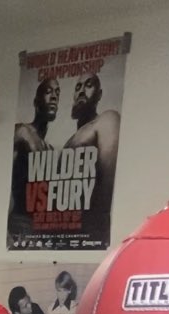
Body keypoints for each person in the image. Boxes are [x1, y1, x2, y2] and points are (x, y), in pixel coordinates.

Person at [63, 73, 120, 238]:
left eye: (88, 85)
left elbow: (108, 181)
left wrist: (95, 235)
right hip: (66, 234)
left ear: (99, 94)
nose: (81, 91)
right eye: (78, 87)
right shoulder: (70, 141)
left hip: (91, 232)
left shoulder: (107, 119)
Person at [8, 78, 60, 239]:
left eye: (57, 93)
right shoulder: (22, 132)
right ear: (36, 102)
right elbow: (3, 181)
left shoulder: (50, 149)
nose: (54, 97)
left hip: (39, 230)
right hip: (18, 224)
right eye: (48, 92)